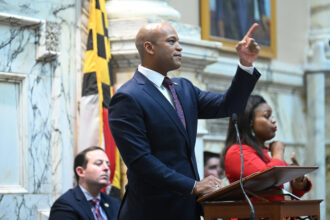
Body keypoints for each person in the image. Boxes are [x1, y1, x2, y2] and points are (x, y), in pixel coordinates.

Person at [108, 22, 261, 220]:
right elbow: (140, 161)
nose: (179, 47)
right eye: (171, 42)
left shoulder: (183, 89)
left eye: (179, 42)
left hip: (187, 209)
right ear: (149, 47)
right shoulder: (128, 97)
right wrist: (193, 185)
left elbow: (229, 105)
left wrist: (245, 65)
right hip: (151, 210)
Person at [221, 95, 312, 201]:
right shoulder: (236, 152)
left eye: (272, 116)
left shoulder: (267, 151)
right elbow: (267, 181)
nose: (273, 120)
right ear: (250, 122)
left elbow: (285, 190)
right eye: (267, 116)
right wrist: (278, 153)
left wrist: (298, 178)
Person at [49, 146, 120, 220]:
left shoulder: (114, 203)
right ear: (81, 172)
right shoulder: (65, 205)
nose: (106, 168)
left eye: (108, 164)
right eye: (99, 163)